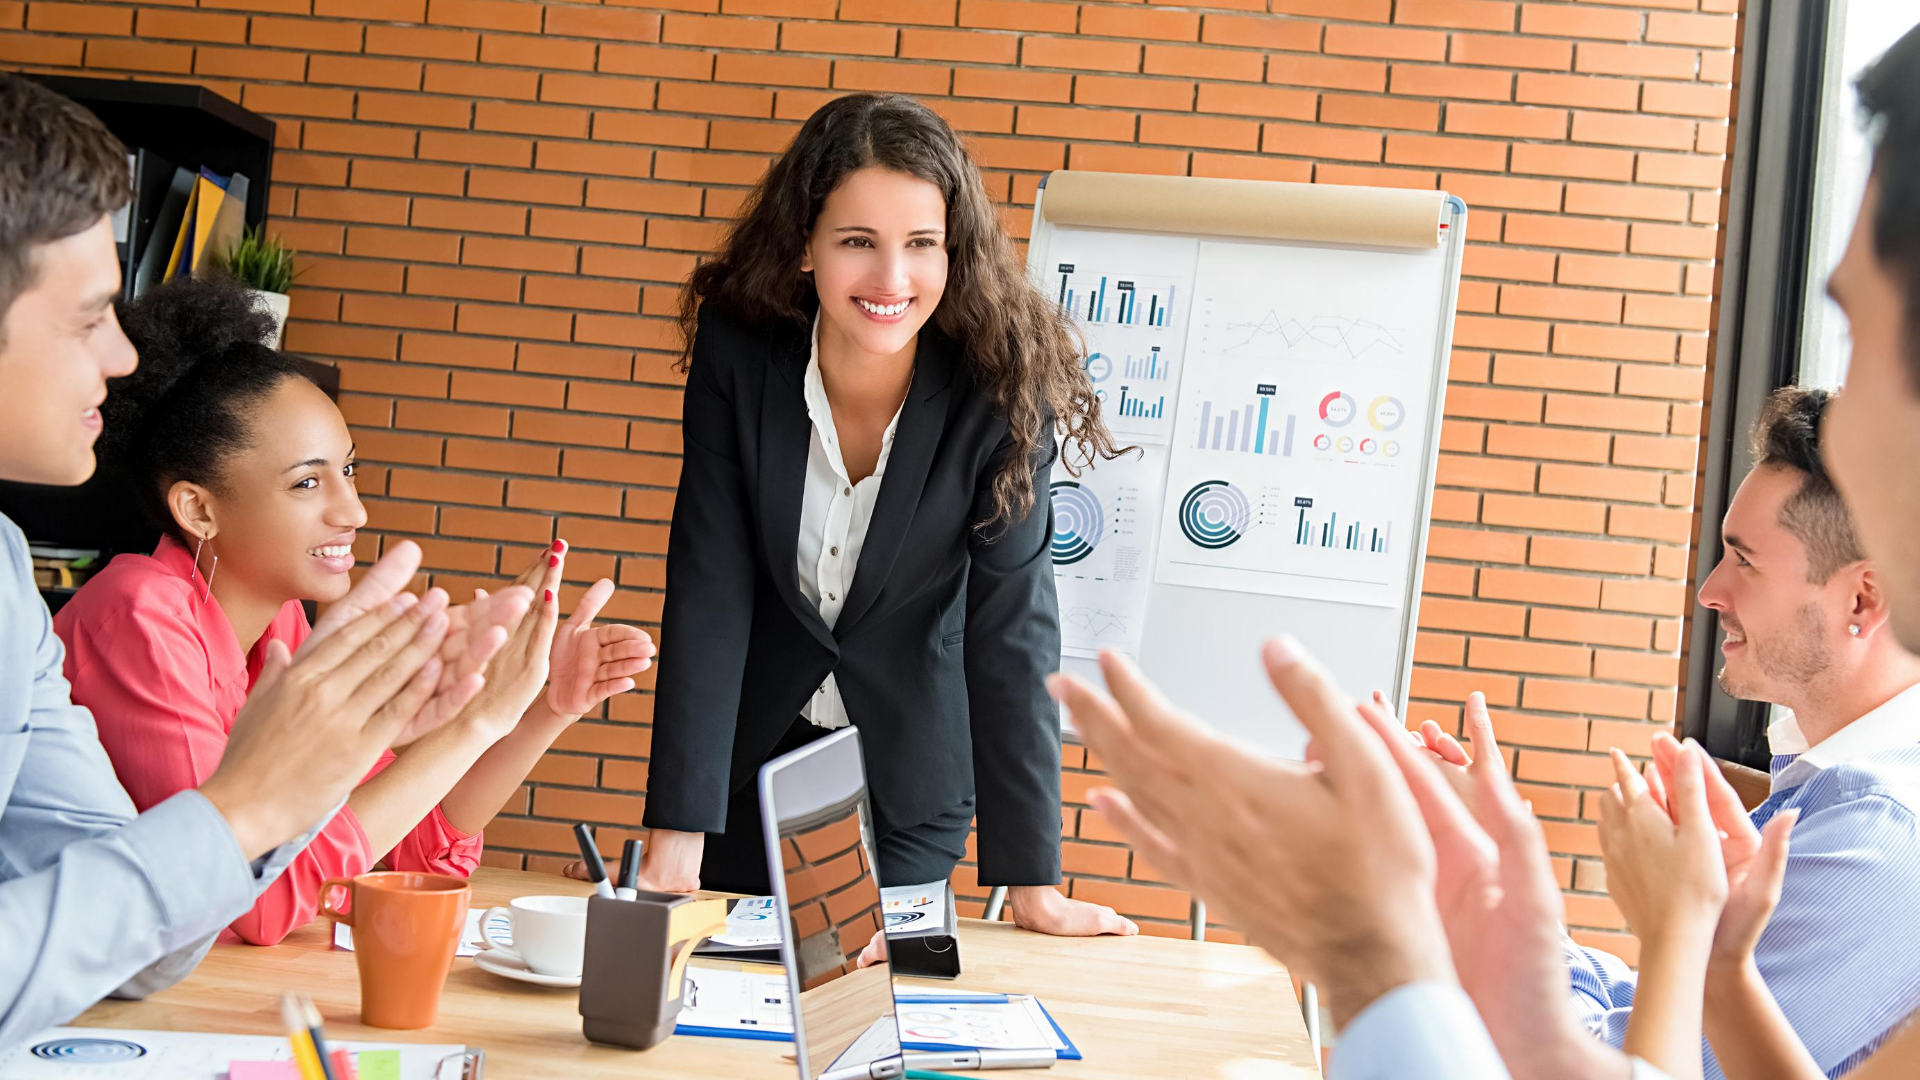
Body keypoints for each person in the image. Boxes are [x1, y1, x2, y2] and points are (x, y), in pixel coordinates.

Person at [0, 72, 518, 1047]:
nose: (119, 357)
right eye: (86, 318)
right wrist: (249, 805)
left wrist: (377, 737)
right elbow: (224, 902)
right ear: (198, 507)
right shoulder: (136, 612)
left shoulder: (6, 573)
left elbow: (153, 940)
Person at [609, 93, 1132, 937]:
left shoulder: (1003, 385)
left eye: (922, 245)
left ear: (953, 250)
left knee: (872, 1018)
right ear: (805, 247)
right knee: (723, 1016)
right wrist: (677, 835)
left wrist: (1033, 883)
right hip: (748, 763)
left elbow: (1013, 627)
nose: (893, 280)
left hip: (909, 769)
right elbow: (711, 590)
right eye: (858, 242)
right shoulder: (738, 355)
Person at [52, 276, 656, 944]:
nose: (354, 511)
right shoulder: (139, 617)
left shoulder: (279, 624)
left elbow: (406, 852)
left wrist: (539, 707)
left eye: (350, 470)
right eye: (308, 482)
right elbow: (247, 899)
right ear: (198, 508)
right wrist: (479, 721)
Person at [1559, 385, 1920, 1079]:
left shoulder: (1879, 834)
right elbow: (1655, 1012)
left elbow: (1635, 1064)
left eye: (1744, 560)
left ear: (1862, 599)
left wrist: (1495, 901)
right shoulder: (1832, 789)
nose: (1710, 591)